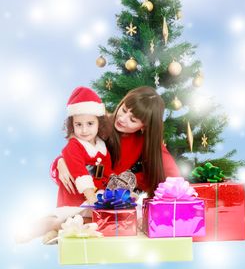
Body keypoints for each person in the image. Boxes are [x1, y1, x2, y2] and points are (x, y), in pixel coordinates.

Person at [16, 86, 113, 243]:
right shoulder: (73, 146)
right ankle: (32, 230)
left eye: (89, 123)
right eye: (78, 124)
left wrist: (104, 192)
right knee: (64, 216)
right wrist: (91, 196)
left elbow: (105, 173)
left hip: (93, 197)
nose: (84, 130)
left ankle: (57, 231)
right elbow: (79, 172)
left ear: (99, 123)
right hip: (74, 196)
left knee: (86, 223)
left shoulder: (102, 148)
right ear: (71, 124)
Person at [51, 86, 181, 198]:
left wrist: (134, 179)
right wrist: (60, 162)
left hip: (108, 197)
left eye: (133, 120)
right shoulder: (99, 125)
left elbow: (172, 174)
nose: (122, 119)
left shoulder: (145, 141)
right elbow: (74, 150)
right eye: (124, 110)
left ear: (144, 126)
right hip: (81, 195)